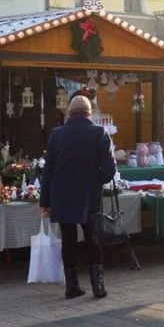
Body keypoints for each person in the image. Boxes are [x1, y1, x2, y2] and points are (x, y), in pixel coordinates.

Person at [40, 95, 116, 299]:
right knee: (93, 239)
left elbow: (48, 170)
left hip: (62, 194)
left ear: (69, 113)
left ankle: (71, 287)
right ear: (89, 113)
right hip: (89, 195)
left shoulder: (57, 134)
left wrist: (45, 201)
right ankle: (97, 286)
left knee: (69, 240)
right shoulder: (99, 133)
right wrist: (95, 180)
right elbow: (110, 170)